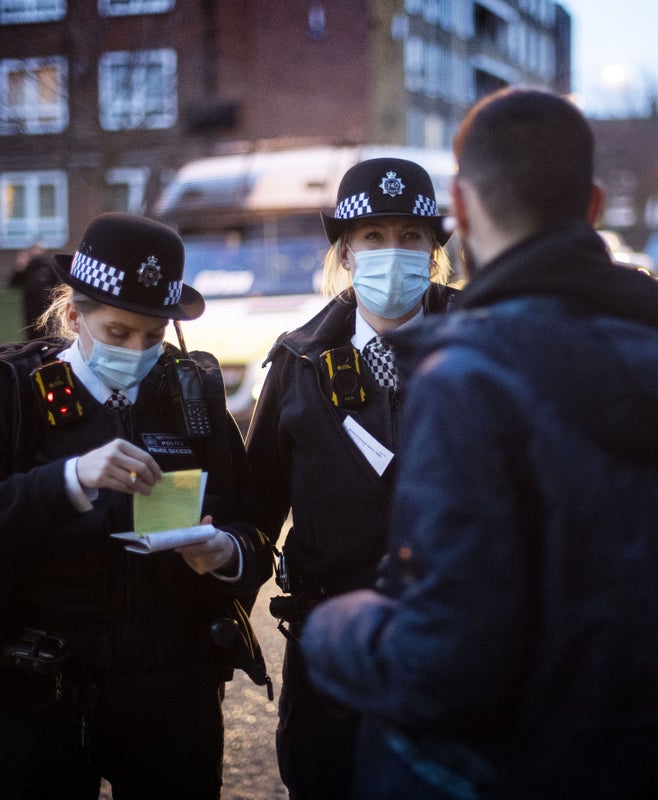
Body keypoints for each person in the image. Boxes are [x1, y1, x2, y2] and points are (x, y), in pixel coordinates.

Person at [300, 88, 658, 799]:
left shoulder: (470, 378)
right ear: (592, 206)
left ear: (462, 213)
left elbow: (447, 665)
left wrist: (336, 629)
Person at [0, 212, 273, 799]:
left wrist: (226, 551)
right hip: (41, 690)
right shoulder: (9, 391)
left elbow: (254, 524)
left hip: (172, 690)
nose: (138, 351)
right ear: (73, 314)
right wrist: (68, 478)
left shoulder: (192, 391)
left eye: (153, 336)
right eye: (117, 333)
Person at [244, 157, 457, 800]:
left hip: (459, 649)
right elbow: (253, 509)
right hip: (331, 657)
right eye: (372, 237)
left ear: (434, 250)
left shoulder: (487, 348)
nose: (393, 254)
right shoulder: (296, 363)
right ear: (345, 250)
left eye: (410, 238)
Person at [9, 243, 60, 338]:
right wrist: (20, 267)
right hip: (31, 309)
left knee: (46, 335)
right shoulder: (29, 268)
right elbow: (14, 283)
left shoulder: (49, 267)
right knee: (33, 336)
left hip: (46, 308)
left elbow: (58, 286)